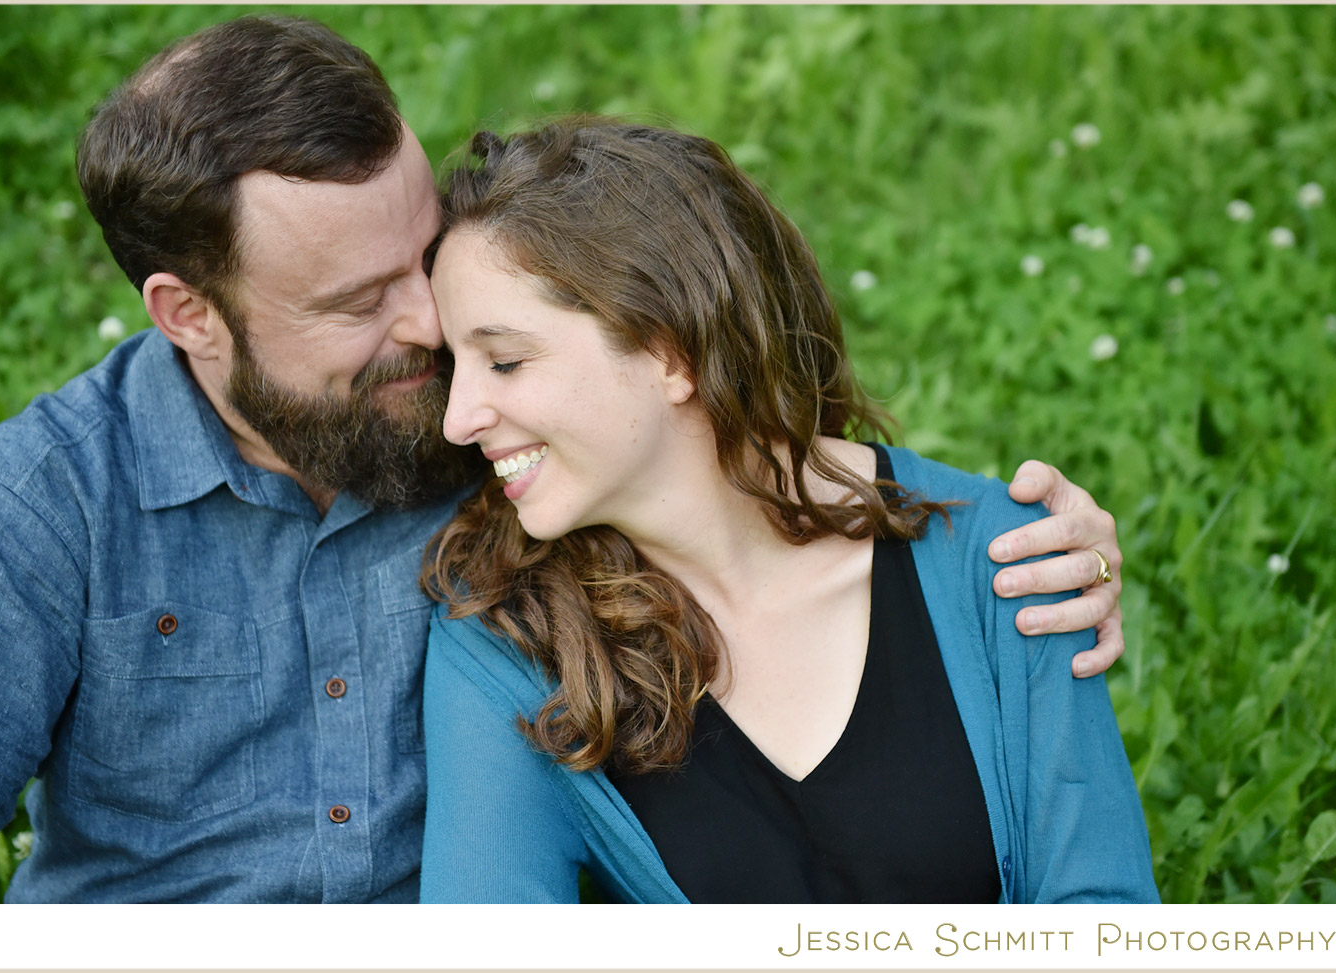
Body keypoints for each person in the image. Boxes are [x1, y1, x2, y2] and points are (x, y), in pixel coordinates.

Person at [0, 16, 1125, 903]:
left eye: (420, 255)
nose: (428, 326)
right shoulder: (44, 509)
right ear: (189, 313)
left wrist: (998, 542)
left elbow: (689, 425)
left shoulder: (507, 444)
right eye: (358, 300)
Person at [418, 118, 1157, 903]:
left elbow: (1100, 912)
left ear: (670, 350)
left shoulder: (1007, 557)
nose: (457, 419)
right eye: (452, 368)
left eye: (504, 360)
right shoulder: (509, 642)